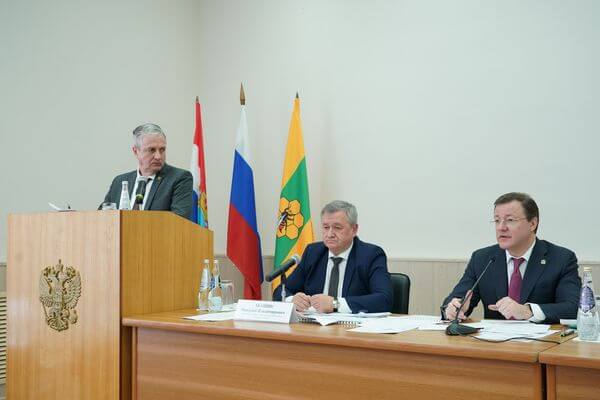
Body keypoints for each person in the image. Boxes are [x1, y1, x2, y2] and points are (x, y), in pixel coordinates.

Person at [442, 192, 581, 324]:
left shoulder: (561, 259)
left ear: (532, 223)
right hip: (493, 340)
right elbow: (455, 300)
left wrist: (528, 311)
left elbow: (573, 308)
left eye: (510, 220)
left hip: (543, 340)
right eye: (497, 220)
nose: (501, 227)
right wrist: (453, 309)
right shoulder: (482, 258)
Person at [273, 200, 392, 313]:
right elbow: (280, 291)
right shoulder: (313, 252)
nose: (330, 234)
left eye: (337, 228)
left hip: (352, 326)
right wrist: (292, 300)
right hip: (314, 325)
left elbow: (384, 299)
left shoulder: (371, 255)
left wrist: (335, 304)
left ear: (354, 229)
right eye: (326, 227)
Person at [100, 123, 193, 220]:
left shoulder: (179, 178)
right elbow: (101, 217)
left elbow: (179, 220)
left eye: (162, 150)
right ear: (136, 151)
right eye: (152, 150)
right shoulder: (119, 181)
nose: (158, 156)